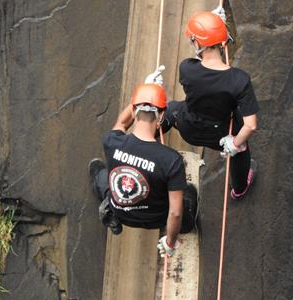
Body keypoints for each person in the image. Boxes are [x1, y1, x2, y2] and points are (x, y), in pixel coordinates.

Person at [159, 8, 260, 200]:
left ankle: (154, 129)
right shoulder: (239, 80)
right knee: (241, 152)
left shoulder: (187, 68)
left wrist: (214, 26)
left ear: (197, 43)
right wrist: (235, 143)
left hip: (188, 127)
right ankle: (239, 189)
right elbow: (251, 125)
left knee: (171, 108)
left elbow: (202, 65)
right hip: (219, 134)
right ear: (223, 42)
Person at [88, 82, 197, 257]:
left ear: (133, 111)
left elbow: (122, 123)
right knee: (187, 198)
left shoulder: (112, 142)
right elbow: (175, 213)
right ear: (161, 116)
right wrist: (170, 242)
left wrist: (142, 94)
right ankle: (188, 226)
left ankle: (111, 213)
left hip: (121, 210)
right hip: (156, 217)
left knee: (102, 175)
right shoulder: (171, 160)